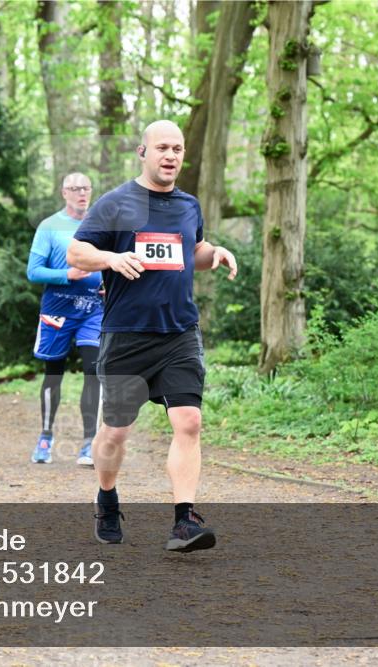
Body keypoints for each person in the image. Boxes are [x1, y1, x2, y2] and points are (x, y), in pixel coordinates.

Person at [67, 120, 238, 553]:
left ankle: (184, 522)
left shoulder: (188, 205)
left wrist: (213, 252)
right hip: (127, 335)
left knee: (190, 421)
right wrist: (111, 256)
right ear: (142, 152)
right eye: (162, 147)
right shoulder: (115, 203)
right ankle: (106, 497)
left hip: (179, 332)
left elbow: (191, 250)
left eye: (177, 149)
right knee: (116, 433)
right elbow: (76, 252)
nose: (171, 155)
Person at [26, 172, 103, 466]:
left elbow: (112, 260)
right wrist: (66, 275)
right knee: (53, 372)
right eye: (75, 188)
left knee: (93, 370)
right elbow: (34, 271)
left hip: (93, 309)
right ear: (64, 193)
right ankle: (45, 436)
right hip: (57, 309)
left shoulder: (100, 224)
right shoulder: (49, 226)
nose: (81, 193)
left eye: (85, 188)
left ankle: (89, 442)